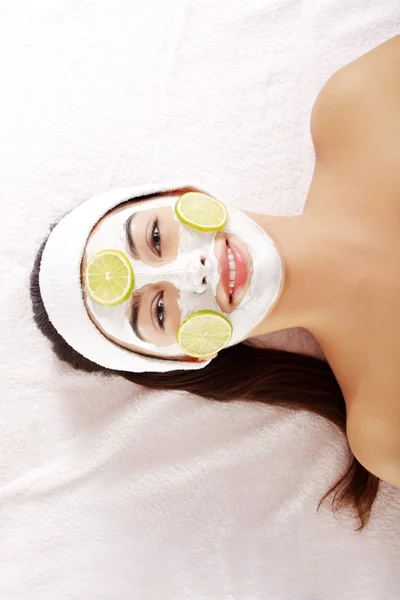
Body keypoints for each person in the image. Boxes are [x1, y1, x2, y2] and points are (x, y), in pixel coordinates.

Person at [30, 34, 400, 532]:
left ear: (183, 192)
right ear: (190, 355)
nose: (189, 271)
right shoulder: (385, 429)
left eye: (156, 237)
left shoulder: (358, 107)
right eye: (159, 312)